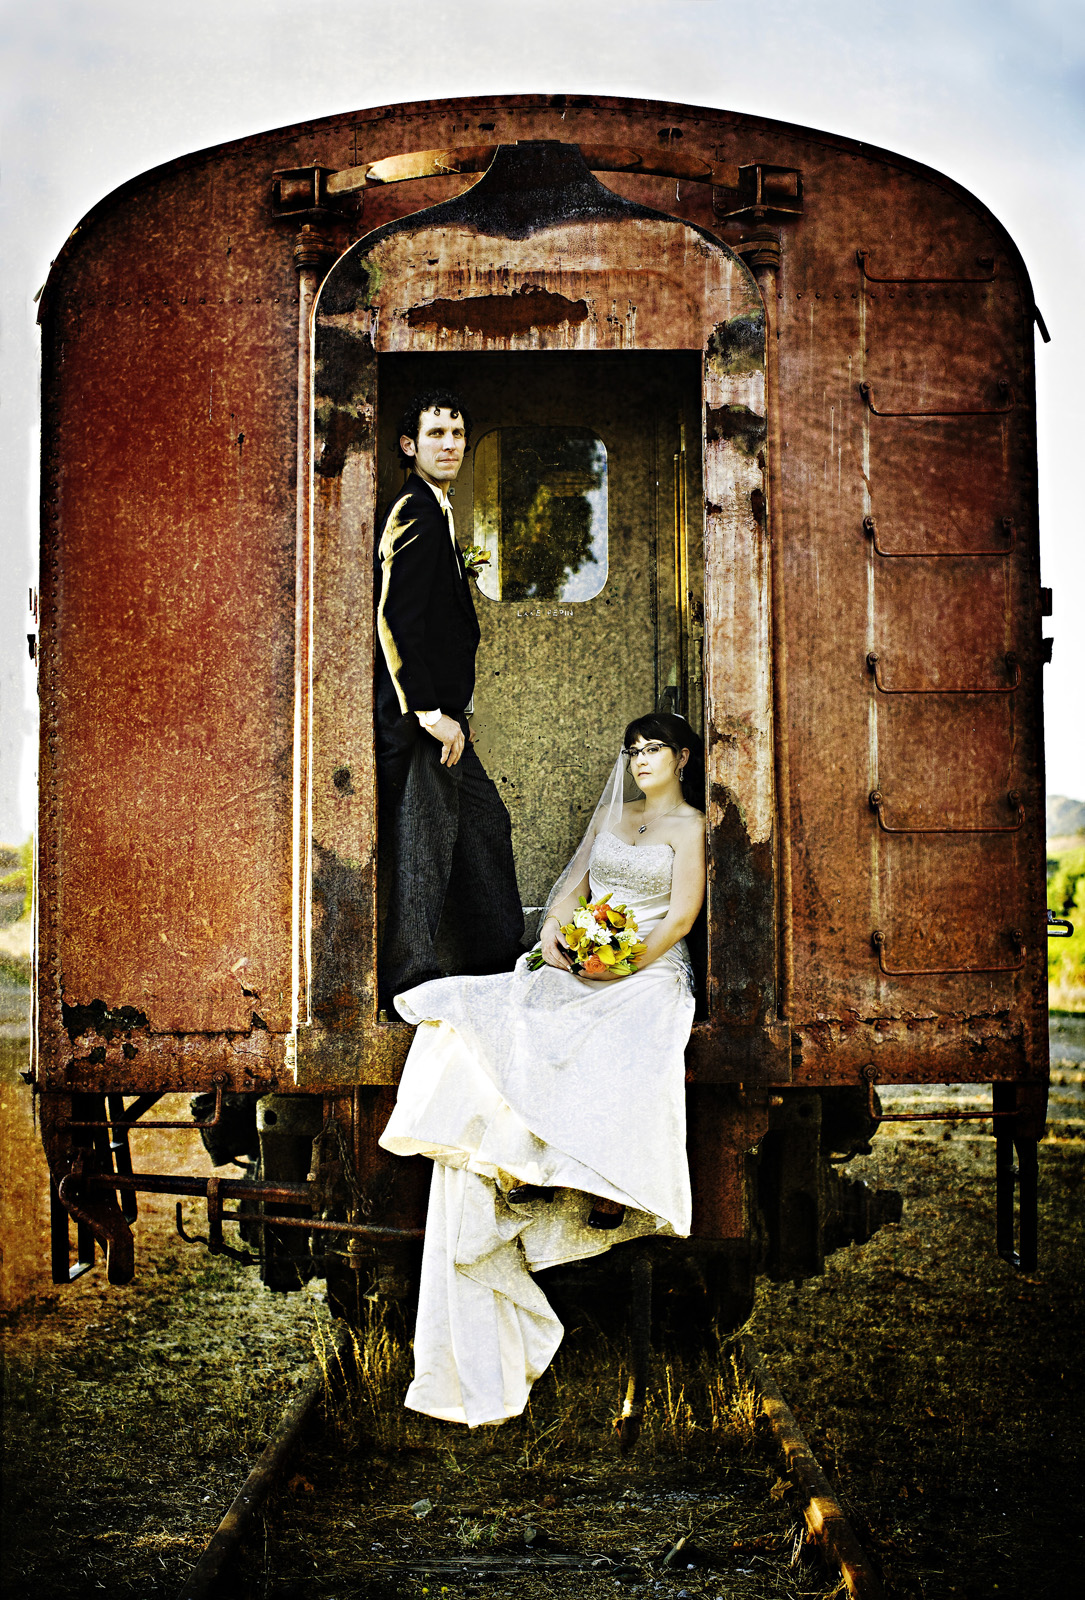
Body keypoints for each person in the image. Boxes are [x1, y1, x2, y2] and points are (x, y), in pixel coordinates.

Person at [379, 712, 706, 1427]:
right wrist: (559, 935)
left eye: (653, 749)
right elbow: (572, 887)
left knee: (624, 1031)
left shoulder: (691, 827)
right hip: (590, 956)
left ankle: (598, 1175)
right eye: (633, 750)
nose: (640, 760)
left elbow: (680, 918)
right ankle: (516, 1155)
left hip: (650, 967)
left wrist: (622, 963)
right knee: (498, 1011)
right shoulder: (613, 818)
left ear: (681, 758)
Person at [375, 391, 524, 1008]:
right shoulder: (414, 509)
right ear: (409, 445)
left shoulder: (438, 509)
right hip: (424, 723)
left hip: (445, 718)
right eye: (435, 434)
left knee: (485, 825)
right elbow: (395, 618)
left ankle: (500, 962)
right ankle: (410, 980)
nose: (450, 445)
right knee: (424, 844)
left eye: (458, 434)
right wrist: (431, 713)